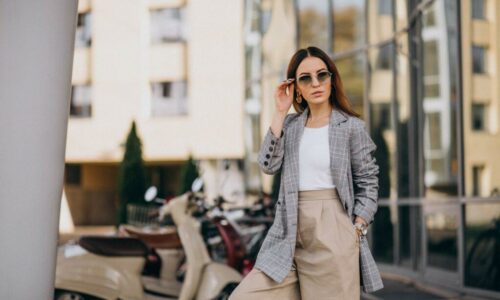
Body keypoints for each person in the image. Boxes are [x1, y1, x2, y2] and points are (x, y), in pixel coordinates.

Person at [229, 46, 383, 300]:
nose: (315, 83)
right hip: (287, 234)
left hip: (334, 233)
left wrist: (356, 227)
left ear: (332, 80)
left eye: (322, 75)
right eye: (305, 78)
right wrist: (280, 112)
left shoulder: (351, 127)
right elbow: (268, 165)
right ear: (296, 87)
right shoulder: (289, 126)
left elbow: (368, 182)